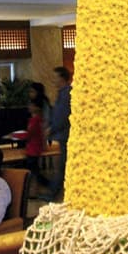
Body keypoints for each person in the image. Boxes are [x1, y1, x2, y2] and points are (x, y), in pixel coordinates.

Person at [47, 66, 72, 200]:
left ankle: (52, 194)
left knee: (62, 166)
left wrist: (52, 128)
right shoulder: (63, 93)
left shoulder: (66, 94)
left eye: (55, 77)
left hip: (65, 135)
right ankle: (52, 192)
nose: (53, 80)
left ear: (62, 78)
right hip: (63, 135)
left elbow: (61, 116)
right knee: (62, 166)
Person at [24, 99, 51, 191]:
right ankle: (44, 185)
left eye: (31, 105)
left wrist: (17, 136)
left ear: (36, 108)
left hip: (32, 149)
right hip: (36, 148)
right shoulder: (40, 120)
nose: (29, 107)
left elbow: (29, 134)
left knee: (34, 172)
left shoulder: (34, 121)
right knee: (35, 171)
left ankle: (36, 189)